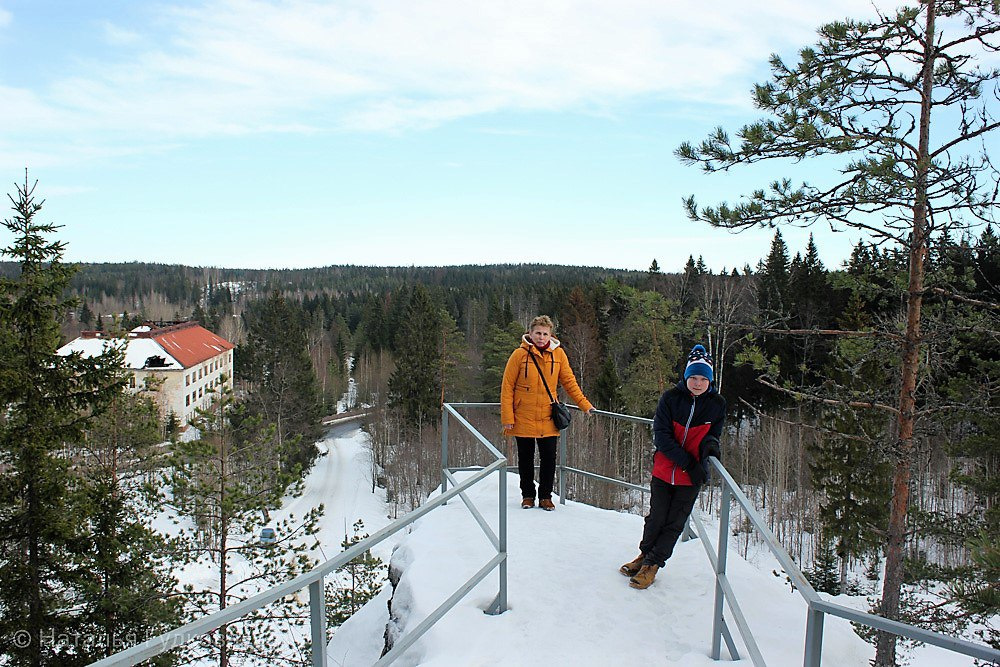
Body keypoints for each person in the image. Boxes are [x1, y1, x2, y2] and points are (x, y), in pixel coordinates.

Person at [620, 344, 726, 589]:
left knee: (674, 522)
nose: (698, 383)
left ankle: (653, 565)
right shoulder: (670, 399)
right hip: (665, 469)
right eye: (693, 377)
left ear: (709, 381)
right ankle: (643, 556)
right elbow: (662, 436)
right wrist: (688, 462)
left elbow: (714, 434)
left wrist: (711, 448)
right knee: (656, 517)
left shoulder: (717, 404)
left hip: (691, 478)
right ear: (686, 377)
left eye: (703, 379)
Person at [501, 315, 594, 511]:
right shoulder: (519, 355)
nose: (541, 337)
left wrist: (584, 404)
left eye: (545, 334)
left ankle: (545, 497)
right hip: (523, 414)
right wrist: (508, 417)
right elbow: (507, 386)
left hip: (547, 415)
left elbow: (569, 382)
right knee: (525, 458)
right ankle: (527, 496)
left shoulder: (558, 354)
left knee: (549, 458)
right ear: (530, 333)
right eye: (538, 333)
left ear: (550, 335)